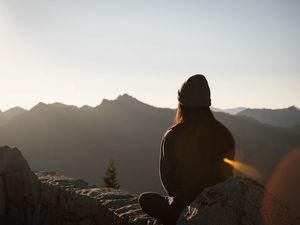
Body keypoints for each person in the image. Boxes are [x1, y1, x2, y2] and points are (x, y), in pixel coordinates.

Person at [138, 74, 235, 225]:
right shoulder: (224, 134)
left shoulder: (173, 135)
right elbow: (228, 175)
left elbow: (168, 182)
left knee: (146, 199)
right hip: (219, 204)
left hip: (184, 209)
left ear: (181, 104)